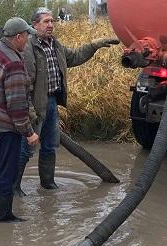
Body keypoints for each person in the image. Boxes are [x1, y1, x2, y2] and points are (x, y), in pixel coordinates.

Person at [13, 7, 119, 196]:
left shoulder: (55, 44)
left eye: (52, 21)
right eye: (46, 22)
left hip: (52, 102)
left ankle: (47, 183)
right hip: (36, 105)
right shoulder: (29, 47)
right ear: (34, 24)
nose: (51, 25)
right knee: (27, 148)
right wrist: (29, 112)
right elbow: (24, 85)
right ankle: (14, 187)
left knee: (50, 145)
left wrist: (94, 45)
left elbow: (75, 56)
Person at [0, 17, 40, 222]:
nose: (28, 39)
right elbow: (17, 105)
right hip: (5, 128)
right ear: (18, 37)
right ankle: (4, 218)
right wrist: (29, 133)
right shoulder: (13, 63)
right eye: (27, 35)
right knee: (7, 174)